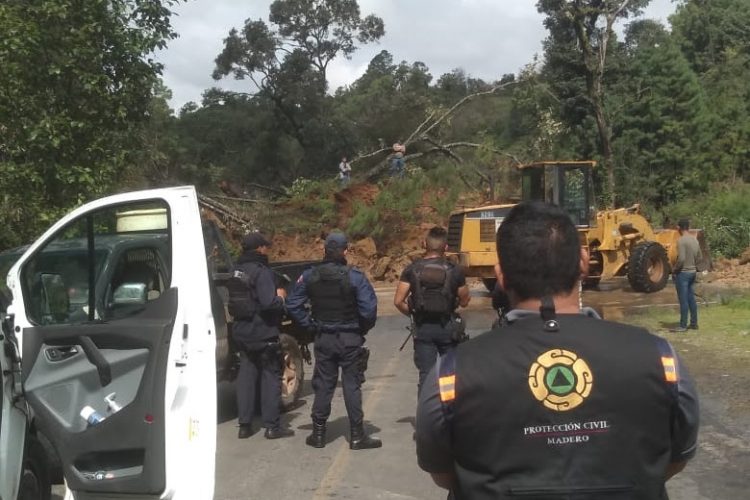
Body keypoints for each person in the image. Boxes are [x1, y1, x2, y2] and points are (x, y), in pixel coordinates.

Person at [416, 201, 699, 499]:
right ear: (583, 261)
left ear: (500, 275)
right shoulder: (661, 358)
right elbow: (676, 456)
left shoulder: (451, 374)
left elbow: (442, 472)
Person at [286, 231, 381, 450]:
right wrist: (360, 329)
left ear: (324, 250)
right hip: (349, 338)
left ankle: (318, 434)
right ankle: (357, 436)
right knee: (352, 385)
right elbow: (369, 310)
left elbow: (292, 304)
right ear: (345, 251)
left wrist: (310, 326)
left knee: (324, 385)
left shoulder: (310, 275)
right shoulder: (355, 276)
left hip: (324, 338)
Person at [229, 232, 294, 440]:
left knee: (246, 377)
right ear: (259, 249)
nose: (268, 249)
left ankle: (244, 425)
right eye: (266, 246)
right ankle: (272, 426)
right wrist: (281, 298)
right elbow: (268, 303)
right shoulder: (261, 272)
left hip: (241, 330)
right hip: (262, 331)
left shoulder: (236, 270)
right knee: (270, 376)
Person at [393, 226, 470, 395]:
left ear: (424, 244)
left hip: (423, 328)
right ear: (446, 247)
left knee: (426, 376)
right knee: (448, 375)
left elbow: (398, 301)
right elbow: (465, 301)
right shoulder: (455, 270)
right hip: (448, 328)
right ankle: (448, 414)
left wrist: (414, 314)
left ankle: (426, 417)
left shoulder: (412, 269)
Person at [672, 218, 703, 332]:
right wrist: (693, 265)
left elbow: (681, 259)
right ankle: (694, 323)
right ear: (688, 227)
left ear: (678, 228)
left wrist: (674, 270)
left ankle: (683, 325)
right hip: (692, 272)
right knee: (691, 298)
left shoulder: (681, 241)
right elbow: (700, 257)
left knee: (683, 300)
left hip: (683, 273)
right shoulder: (694, 240)